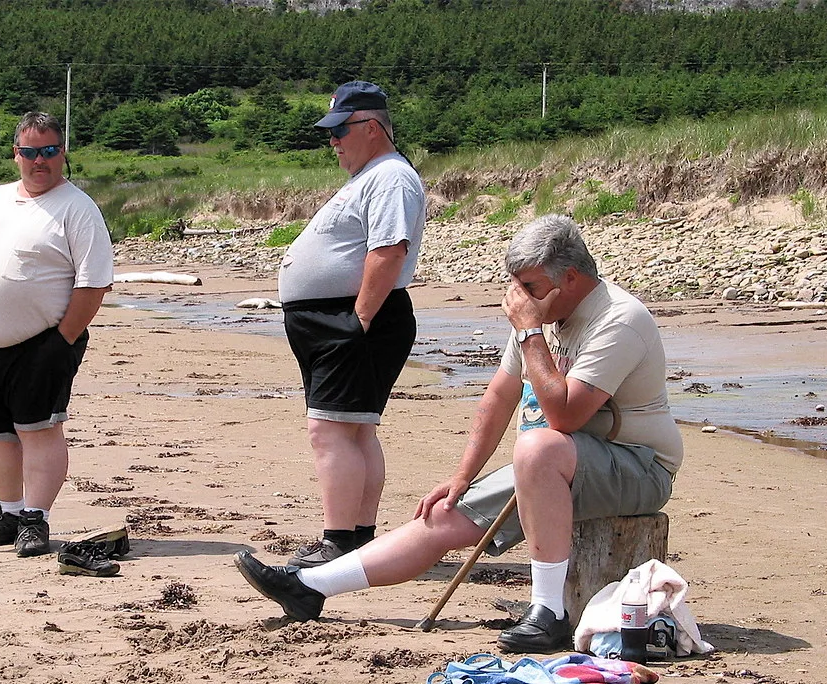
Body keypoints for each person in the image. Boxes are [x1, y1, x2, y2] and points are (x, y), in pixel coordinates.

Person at [236, 214, 683, 653]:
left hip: (639, 467)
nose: (517, 299)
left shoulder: (617, 319)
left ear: (569, 278)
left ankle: (548, 613)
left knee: (539, 446)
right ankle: (309, 585)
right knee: (445, 513)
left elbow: (564, 417)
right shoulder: (542, 316)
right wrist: (462, 477)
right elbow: (500, 397)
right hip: (557, 460)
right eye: (515, 285)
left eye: (529, 286)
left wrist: (530, 332)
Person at [0, 111, 113, 558]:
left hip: (44, 342)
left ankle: (35, 519)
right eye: (31, 152)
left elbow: (93, 285)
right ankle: (10, 514)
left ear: (62, 153)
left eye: (49, 151)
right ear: (16, 154)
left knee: (39, 430)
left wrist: (63, 340)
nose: (40, 160)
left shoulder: (77, 208)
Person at [277, 80, 426, 568]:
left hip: (357, 318)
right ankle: (356, 536)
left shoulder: (391, 177)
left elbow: (389, 250)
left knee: (331, 430)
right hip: (337, 320)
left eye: (341, 129)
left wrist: (358, 320)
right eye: (331, 131)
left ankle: (339, 540)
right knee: (354, 429)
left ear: (372, 127)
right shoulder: (373, 177)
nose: (333, 140)